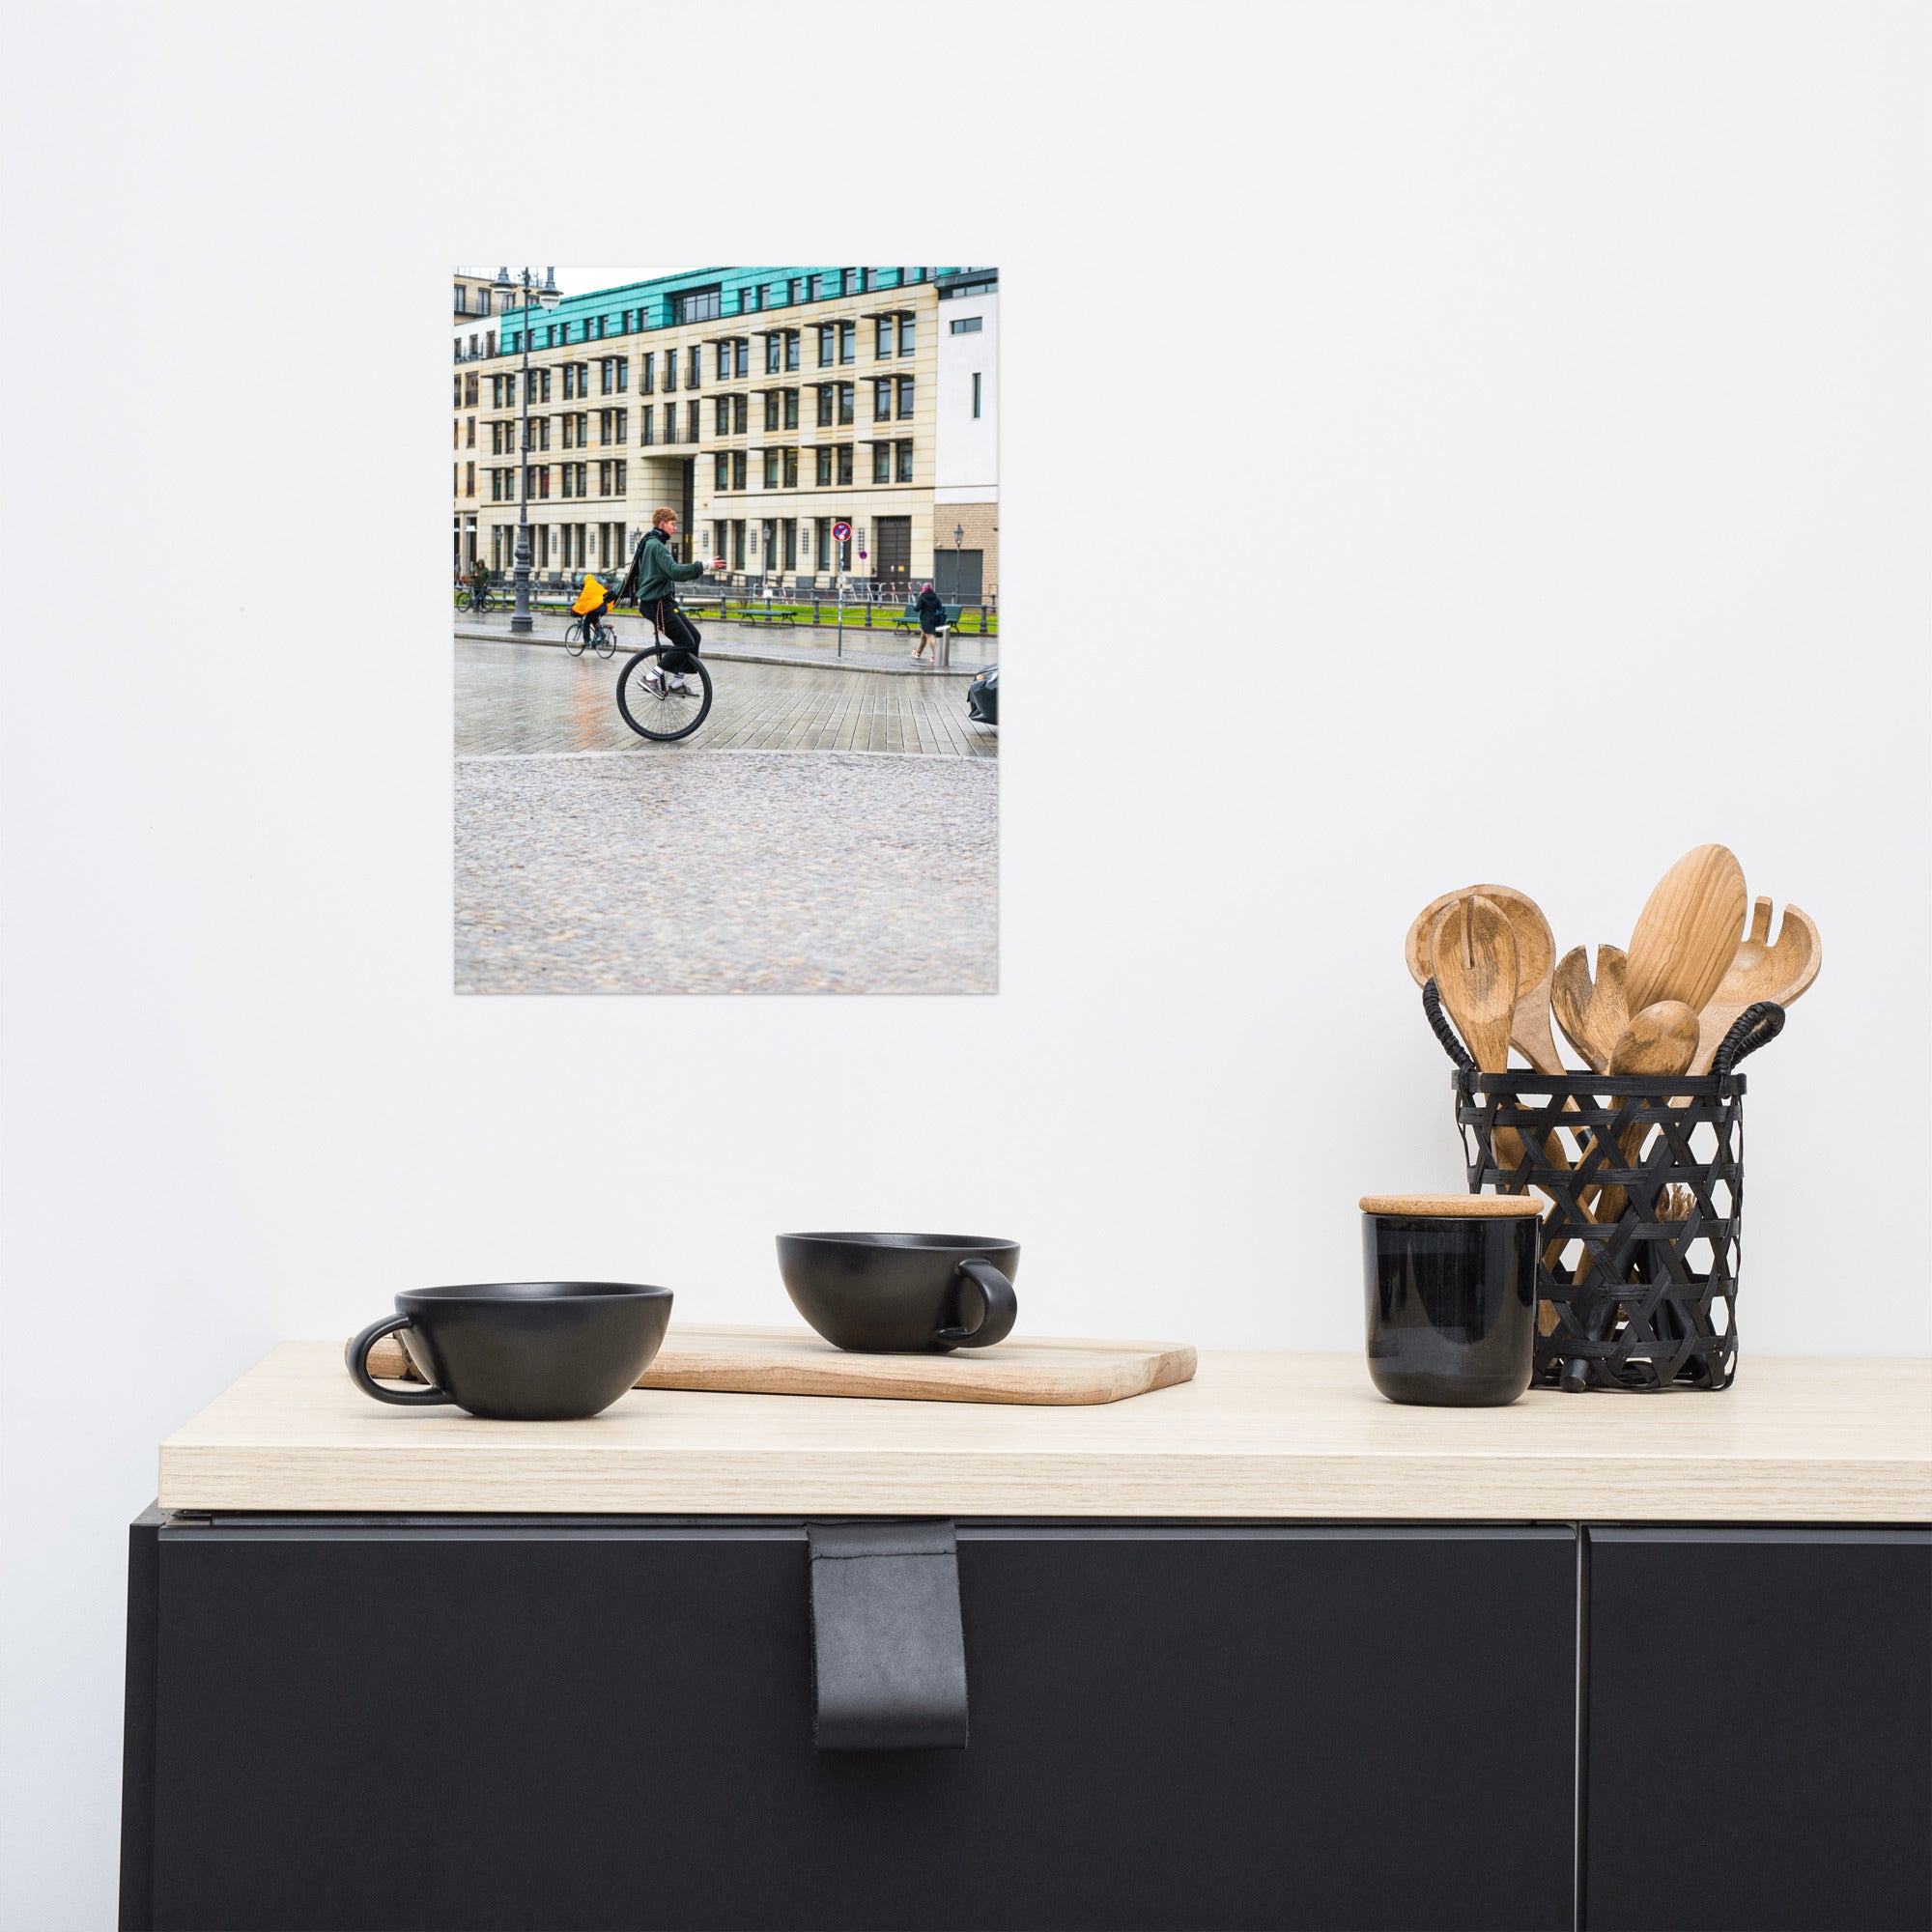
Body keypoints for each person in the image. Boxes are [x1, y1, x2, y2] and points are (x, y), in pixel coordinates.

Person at [625, 509, 724, 694]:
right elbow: (674, 571)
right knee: (685, 642)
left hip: (664, 603)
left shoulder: (651, 543)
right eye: (672, 524)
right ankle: (651, 678)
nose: (675, 528)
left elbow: (633, 573)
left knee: (694, 638)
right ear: (662, 524)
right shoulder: (656, 546)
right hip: (657, 604)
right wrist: (703, 565)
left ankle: (677, 683)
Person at [570, 570, 613, 645]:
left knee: (586, 623)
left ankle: (587, 640)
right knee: (594, 620)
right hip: (604, 607)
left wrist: (575, 608)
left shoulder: (588, 586)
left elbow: (582, 599)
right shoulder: (597, 585)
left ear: (586, 580)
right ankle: (601, 635)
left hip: (597, 608)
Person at [913, 581, 946, 662]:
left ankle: (936, 656)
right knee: (923, 637)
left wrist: (914, 605)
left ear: (924, 589)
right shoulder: (935, 597)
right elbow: (940, 607)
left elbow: (917, 609)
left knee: (930, 637)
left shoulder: (922, 597)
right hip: (933, 619)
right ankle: (918, 653)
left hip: (925, 620)